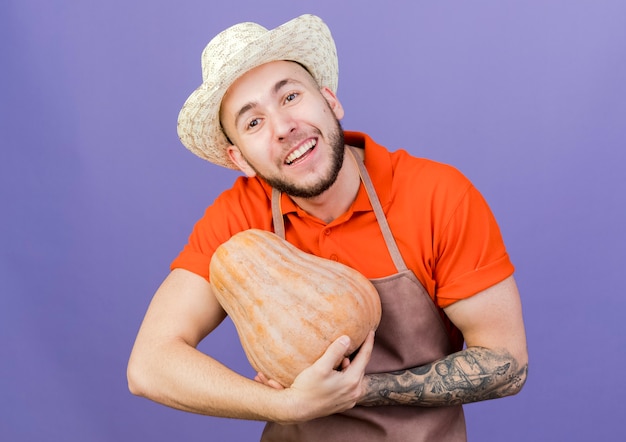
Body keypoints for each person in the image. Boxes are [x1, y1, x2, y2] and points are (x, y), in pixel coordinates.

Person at [127, 14, 528, 441]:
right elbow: (149, 366)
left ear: (330, 100)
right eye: (253, 122)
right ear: (239, 160)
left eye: (290, 96)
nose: (283, 128)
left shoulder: (438, 196)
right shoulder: (238, 219)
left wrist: (356, 390)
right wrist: (285, 404)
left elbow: (507, 363)